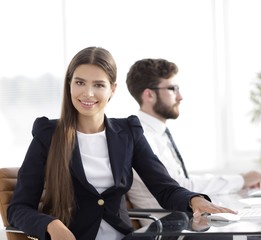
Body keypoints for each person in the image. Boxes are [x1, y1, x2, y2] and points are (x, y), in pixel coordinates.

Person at [7, 47, 236, 240]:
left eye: (98, 84)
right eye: (80, 82)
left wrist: (194, 199)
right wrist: (51, 225)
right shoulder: (48, 135)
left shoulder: (128, 132)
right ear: (69, 85)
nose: (87, 93)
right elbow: (18, 208)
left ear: (112, 90)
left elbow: (163, 186)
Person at [125, 58, 261, 221]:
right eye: (173, 89)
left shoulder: (158, 133)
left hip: (186, 221)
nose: (180, 97)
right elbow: (179, 187)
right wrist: (241, 180)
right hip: (169, 229)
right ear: (149, 94)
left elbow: (184, 181)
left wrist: (240, 179)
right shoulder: (142, 136)